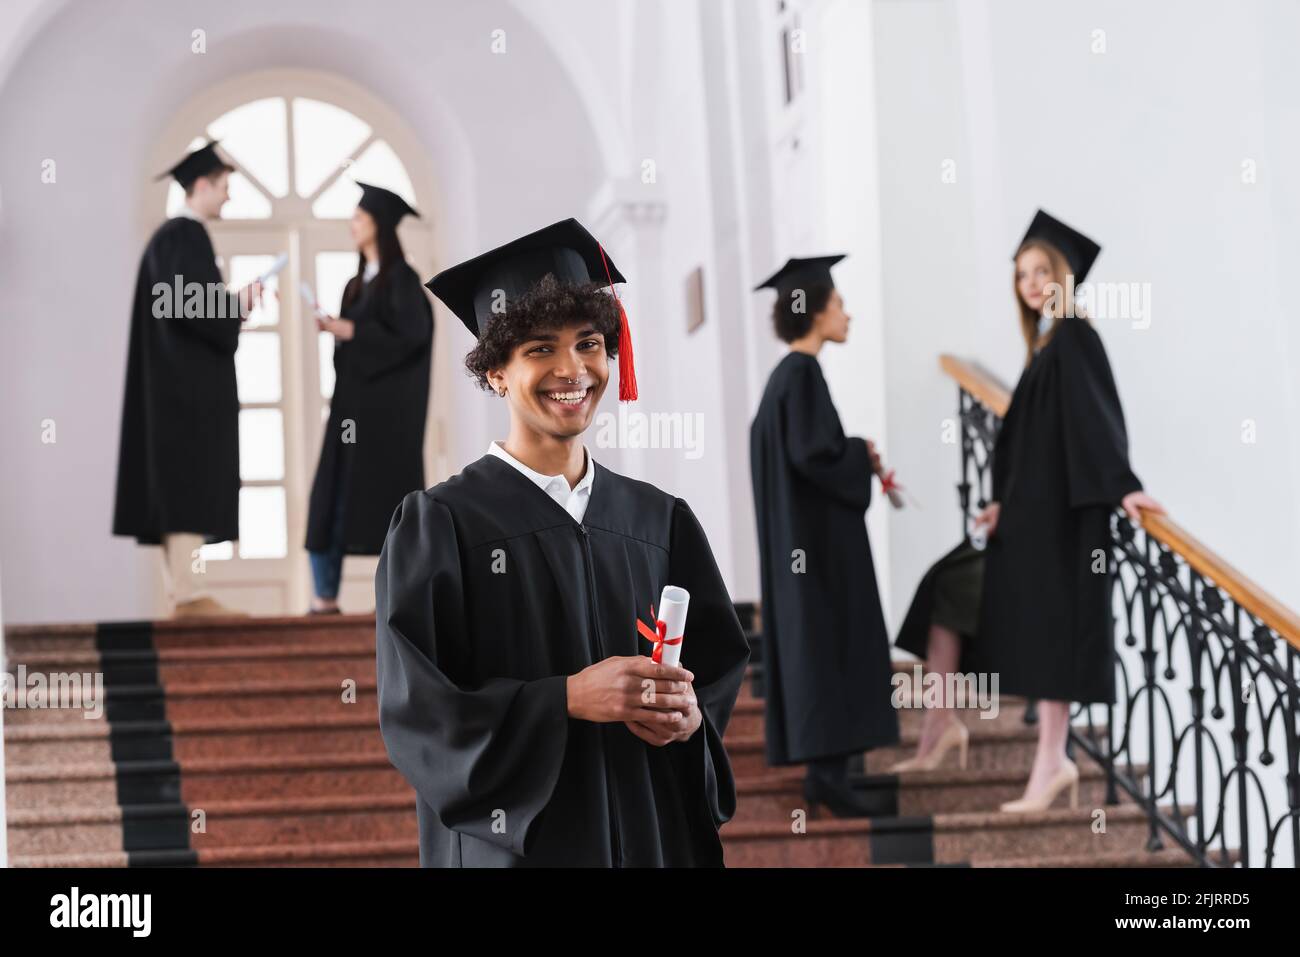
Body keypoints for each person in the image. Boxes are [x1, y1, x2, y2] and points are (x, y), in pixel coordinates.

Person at [376, 218, 750, 866]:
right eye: (539, 349)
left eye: (589, 344)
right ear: (495, 371)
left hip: (648, 839)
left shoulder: (658, 521)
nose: (572, 369)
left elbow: (711, 677)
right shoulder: (442, 523)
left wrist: (690, 721)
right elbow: (420, 714)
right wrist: (567, 698)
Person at [892, 211, 1164, 812]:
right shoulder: (1044, 347)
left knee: (1052, 635)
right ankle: (943, 726)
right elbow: (1035, 442)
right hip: (1023, 520)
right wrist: (997, 505)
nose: (1032, 282)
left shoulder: (1074, 337)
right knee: (945, 593)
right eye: (1022, 275)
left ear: (1063, 276)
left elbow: (1098, 422)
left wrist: (1123, 486)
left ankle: (1051, 761)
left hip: (1060, 523)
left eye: (1042, 271)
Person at [749, 255, 900, 817]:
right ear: (810, 311)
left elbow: (806, 453)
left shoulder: (780, 381)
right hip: (818, 553)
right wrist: (859, 452)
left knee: (818, 642)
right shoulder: (801, 375)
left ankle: (826, 773)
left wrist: (854, 452)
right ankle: (829, 775)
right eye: (837, 304)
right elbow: (815, 454)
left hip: (801, 549)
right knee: (830, 639)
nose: (847, 313)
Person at [112, 141, 262, 618]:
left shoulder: (169, 239)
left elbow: (180, 303)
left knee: (180, 487)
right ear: (201, 185)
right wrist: (234, 307)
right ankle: (187, 595)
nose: (228, 198)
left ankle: (182, 592)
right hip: (185, 394)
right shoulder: (184, 236)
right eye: (223, 187)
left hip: (174, 389)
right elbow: (184, 306)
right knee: (186, 485)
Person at [304, 183, 433, 614]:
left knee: (385, 505)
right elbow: (350, 354)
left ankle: (400, 603)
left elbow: (412, 338)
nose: (352, 225)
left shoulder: (403, 282)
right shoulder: (355, 285)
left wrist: (352, 331)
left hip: (386, 422)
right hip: (349, 413)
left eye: (359, 218)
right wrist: (340, 331)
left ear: (379, 225)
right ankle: (324, 598)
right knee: (330, 498)